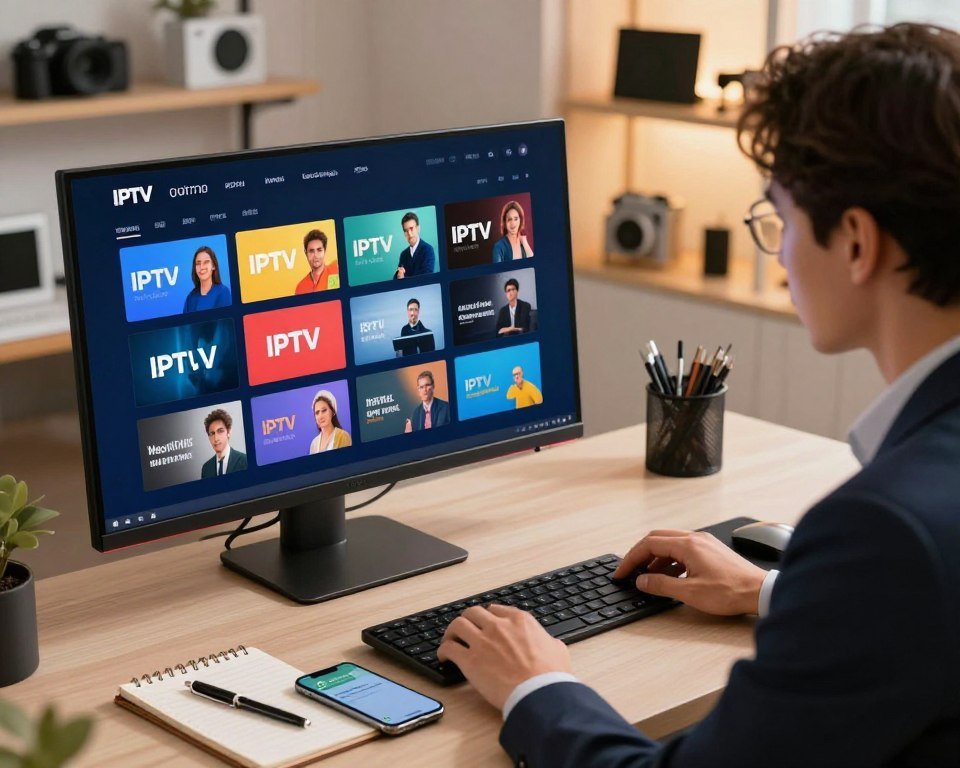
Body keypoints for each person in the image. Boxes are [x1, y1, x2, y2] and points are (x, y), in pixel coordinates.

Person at [438, 23, 960, 767]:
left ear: (856, 242)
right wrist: (780, 592)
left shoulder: (883, 531)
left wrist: (536, 684)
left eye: (779, 219)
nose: (777, 250)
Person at [182, 246, 231, 313]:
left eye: (206, 262)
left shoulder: (223, 292)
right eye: (198, 263)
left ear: (213, 266)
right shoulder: (190, 298)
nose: (201, 267)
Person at [200, 408, 247, 478]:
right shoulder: (206, 468)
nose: (216, 438)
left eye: (220, 431)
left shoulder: (244, 460)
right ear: (209, 437)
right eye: (212, 433)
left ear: (228, 432)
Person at [295, 229, 339, 294]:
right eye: (311, 251)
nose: (315, 255)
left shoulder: (336, 270)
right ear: (306, 253)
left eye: (319, 250)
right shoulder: (301, 288)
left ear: (324, 250)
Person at [393, 212, 436, 279]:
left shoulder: (428, 250)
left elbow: (426, 277)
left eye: (411, 228)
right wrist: (399, 275)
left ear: (418, 228)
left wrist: (404, 278)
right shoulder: (403, 254)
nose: (409, 234)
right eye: (406, 231)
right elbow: (396, 278)